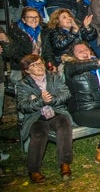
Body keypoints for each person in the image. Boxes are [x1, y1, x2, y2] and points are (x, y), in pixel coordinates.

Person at [16, 54, 73, 183]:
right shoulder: (23, 84)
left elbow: (66, 93)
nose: (39, 66)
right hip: (36, 116)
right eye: (34, 65)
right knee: (38, 133)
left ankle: (65, 163)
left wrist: (51, 100)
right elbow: (23, 106)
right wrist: (41, 101)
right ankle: (34, 170)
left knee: (64, 125)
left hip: (56, 112)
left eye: (40, 63)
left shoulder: (53, 77)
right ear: (27, 70)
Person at [7, 8, 55, 85]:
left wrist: (50, 63)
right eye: (30, 17)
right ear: (23, 20)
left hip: (40, 65)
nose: (34, 19)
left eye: (36, 17)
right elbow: (15, 54)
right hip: (21, 67)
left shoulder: (44, 31)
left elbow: (48, 51)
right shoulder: (15, 32)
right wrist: (30, 65)